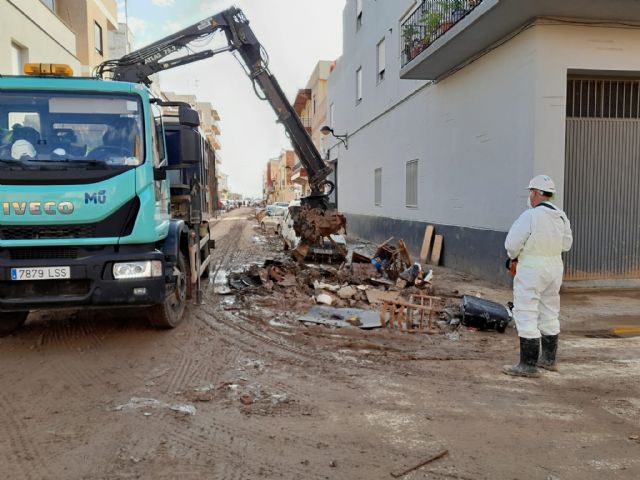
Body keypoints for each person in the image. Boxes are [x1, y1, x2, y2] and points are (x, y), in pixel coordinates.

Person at [503, 175, 573, 378]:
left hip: (532, 269)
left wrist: (515, 256)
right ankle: (548, 359)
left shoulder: (530, 216)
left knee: (526, 311)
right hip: (554, 268)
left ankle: (528, 364)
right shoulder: (561, 216)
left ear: (535, 193)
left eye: (530, 192)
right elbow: (566, 245)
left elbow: (511, 245)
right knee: (550, 311)